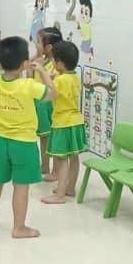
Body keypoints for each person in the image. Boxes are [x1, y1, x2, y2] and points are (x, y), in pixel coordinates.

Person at [0, 35, 55, 239]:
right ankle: (19, 228)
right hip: (24, 143)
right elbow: (52, 94)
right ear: (25, 63)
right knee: (21, 186)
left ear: (1, 60)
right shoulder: (29, 86)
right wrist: (42, 71)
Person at [43, 40, 88, 205]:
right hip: (76, 121)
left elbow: (48, 96)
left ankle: (60, 195)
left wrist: (44, 74)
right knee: (74, 158)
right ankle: (70, 188)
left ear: (60, 63)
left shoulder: (60, 80)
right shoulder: (74, 76)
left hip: (63, 123)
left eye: (54, 60)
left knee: (61, 160)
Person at [31, 26, 62, 182]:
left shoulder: (56, 64)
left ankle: (56, 170)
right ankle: (45, 166)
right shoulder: (42, 60)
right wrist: (36, 56)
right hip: (40, 102)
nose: (36, 44)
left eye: (38, 42)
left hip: (50, 105)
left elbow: (52, 84)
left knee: (53, 138)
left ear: (49, 47)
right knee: (44, 137)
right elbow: (29, 75)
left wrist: (41, 68)